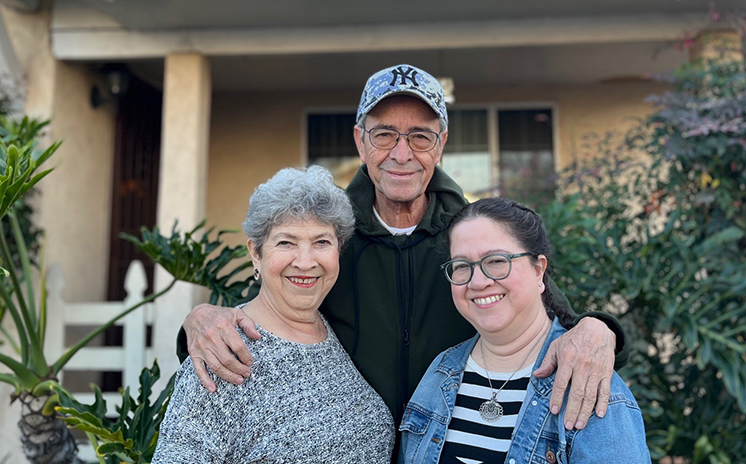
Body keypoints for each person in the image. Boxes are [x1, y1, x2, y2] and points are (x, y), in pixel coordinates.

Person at [179, 64, 626, 433]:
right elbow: (257, 306)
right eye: (384, 135)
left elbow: (553, 313)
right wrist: (200, 319)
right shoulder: (327, 236)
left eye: (420, 136)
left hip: (449, 445)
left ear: (441, 144)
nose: (401, 153)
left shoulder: (469, 238)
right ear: (360, 141)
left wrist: (598, 330)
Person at [153, 167, 395, 463]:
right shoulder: (222, 353)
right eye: (286, 242)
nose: (305, 262)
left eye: (321, 242)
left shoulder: (334, 328)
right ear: (256, 252)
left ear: (339, 251)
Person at [400, 197, 649, 463]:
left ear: (539, 270)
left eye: (496, 261)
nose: (478, 281)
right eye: (462, 266)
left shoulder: (587, 382)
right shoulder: (441, 372)